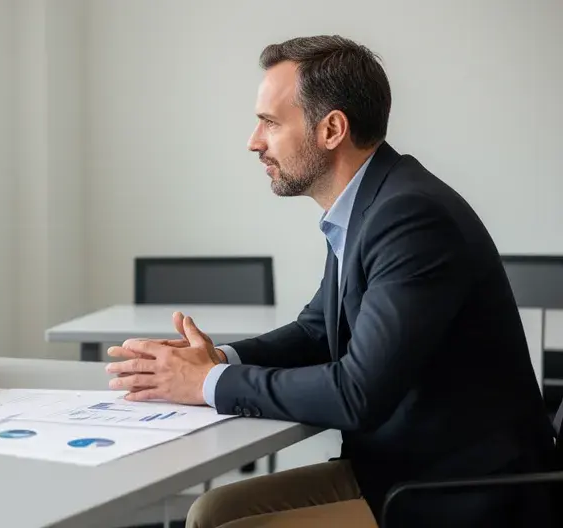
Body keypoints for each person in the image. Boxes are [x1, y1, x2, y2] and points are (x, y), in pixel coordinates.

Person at [104, 35, 555, 527]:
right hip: (396, 471)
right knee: (211, 510)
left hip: (460, 496)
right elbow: (317, 331)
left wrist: (207, 382)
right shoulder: (368, 205)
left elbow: (356, 394)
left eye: (270, 123)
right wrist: (219, 360)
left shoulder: (409, 217)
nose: (254, 142)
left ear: (332, 129)